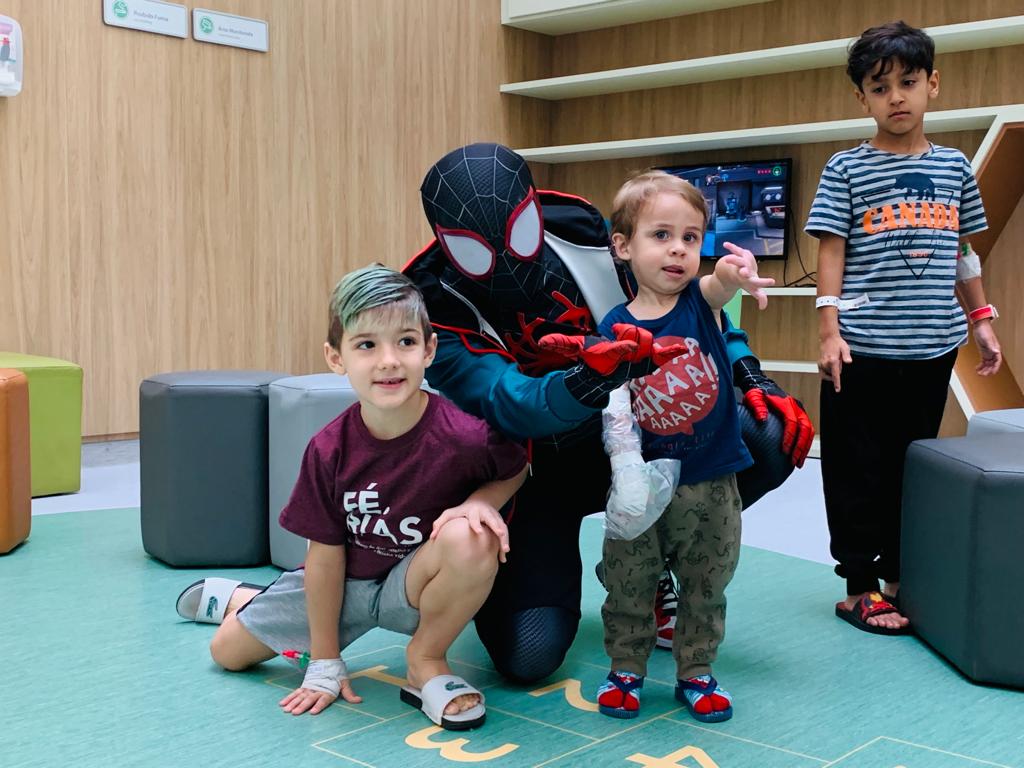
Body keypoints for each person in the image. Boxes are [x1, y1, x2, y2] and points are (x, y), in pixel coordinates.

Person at [402, 143, 813, 682]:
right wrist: (589, 380)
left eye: (518, 233)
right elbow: (508, 403)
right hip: (528, 476)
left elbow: (683, 303)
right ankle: (581, 569)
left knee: (768, 434)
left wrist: (748, 370)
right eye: (475, 248)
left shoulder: (581, 233)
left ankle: (651, 558)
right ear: (444, 239)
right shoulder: (434, 304)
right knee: (528, 657)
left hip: (643, 442)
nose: (505, 258)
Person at [176, 265, 528, 727]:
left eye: (405, 341)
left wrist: (481, 501)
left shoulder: (465, 435)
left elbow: (516, 468)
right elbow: (324, 557)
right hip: (343, 585)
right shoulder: (328, 449)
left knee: (474, 536)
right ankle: (245, 599)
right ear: (336, 357)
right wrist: (324, 661)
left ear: (429, 350)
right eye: (366, 345)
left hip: (413, 584)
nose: (388, 361)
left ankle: (426, 660)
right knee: (227, 653)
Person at [805, 21, 1002, 635]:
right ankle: (859, 586)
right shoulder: (846, 169)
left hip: (931, 347)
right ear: (861, 98)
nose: (896, 96)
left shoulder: (954, 168)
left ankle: (900, 577)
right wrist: (828, 329)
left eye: (908, 82)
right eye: (880, 86)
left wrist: (981, 320)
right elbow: (831, 249)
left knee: (911, 466)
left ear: (932, 86)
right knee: (856, 466)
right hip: (863, 348)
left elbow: (963, 249)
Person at [581, 171, 772, 722]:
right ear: (623, 246)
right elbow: (615, 411)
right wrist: (625, 476)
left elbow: (722, 285)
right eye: (661, 235)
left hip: (712, 480)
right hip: (644, 489)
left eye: (690, 238)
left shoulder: (699, 302)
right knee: (631, 581)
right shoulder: (615, 327)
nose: (678, 250)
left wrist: (734, 272)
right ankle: (626, 668)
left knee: (708, 582)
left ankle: (697, 670)